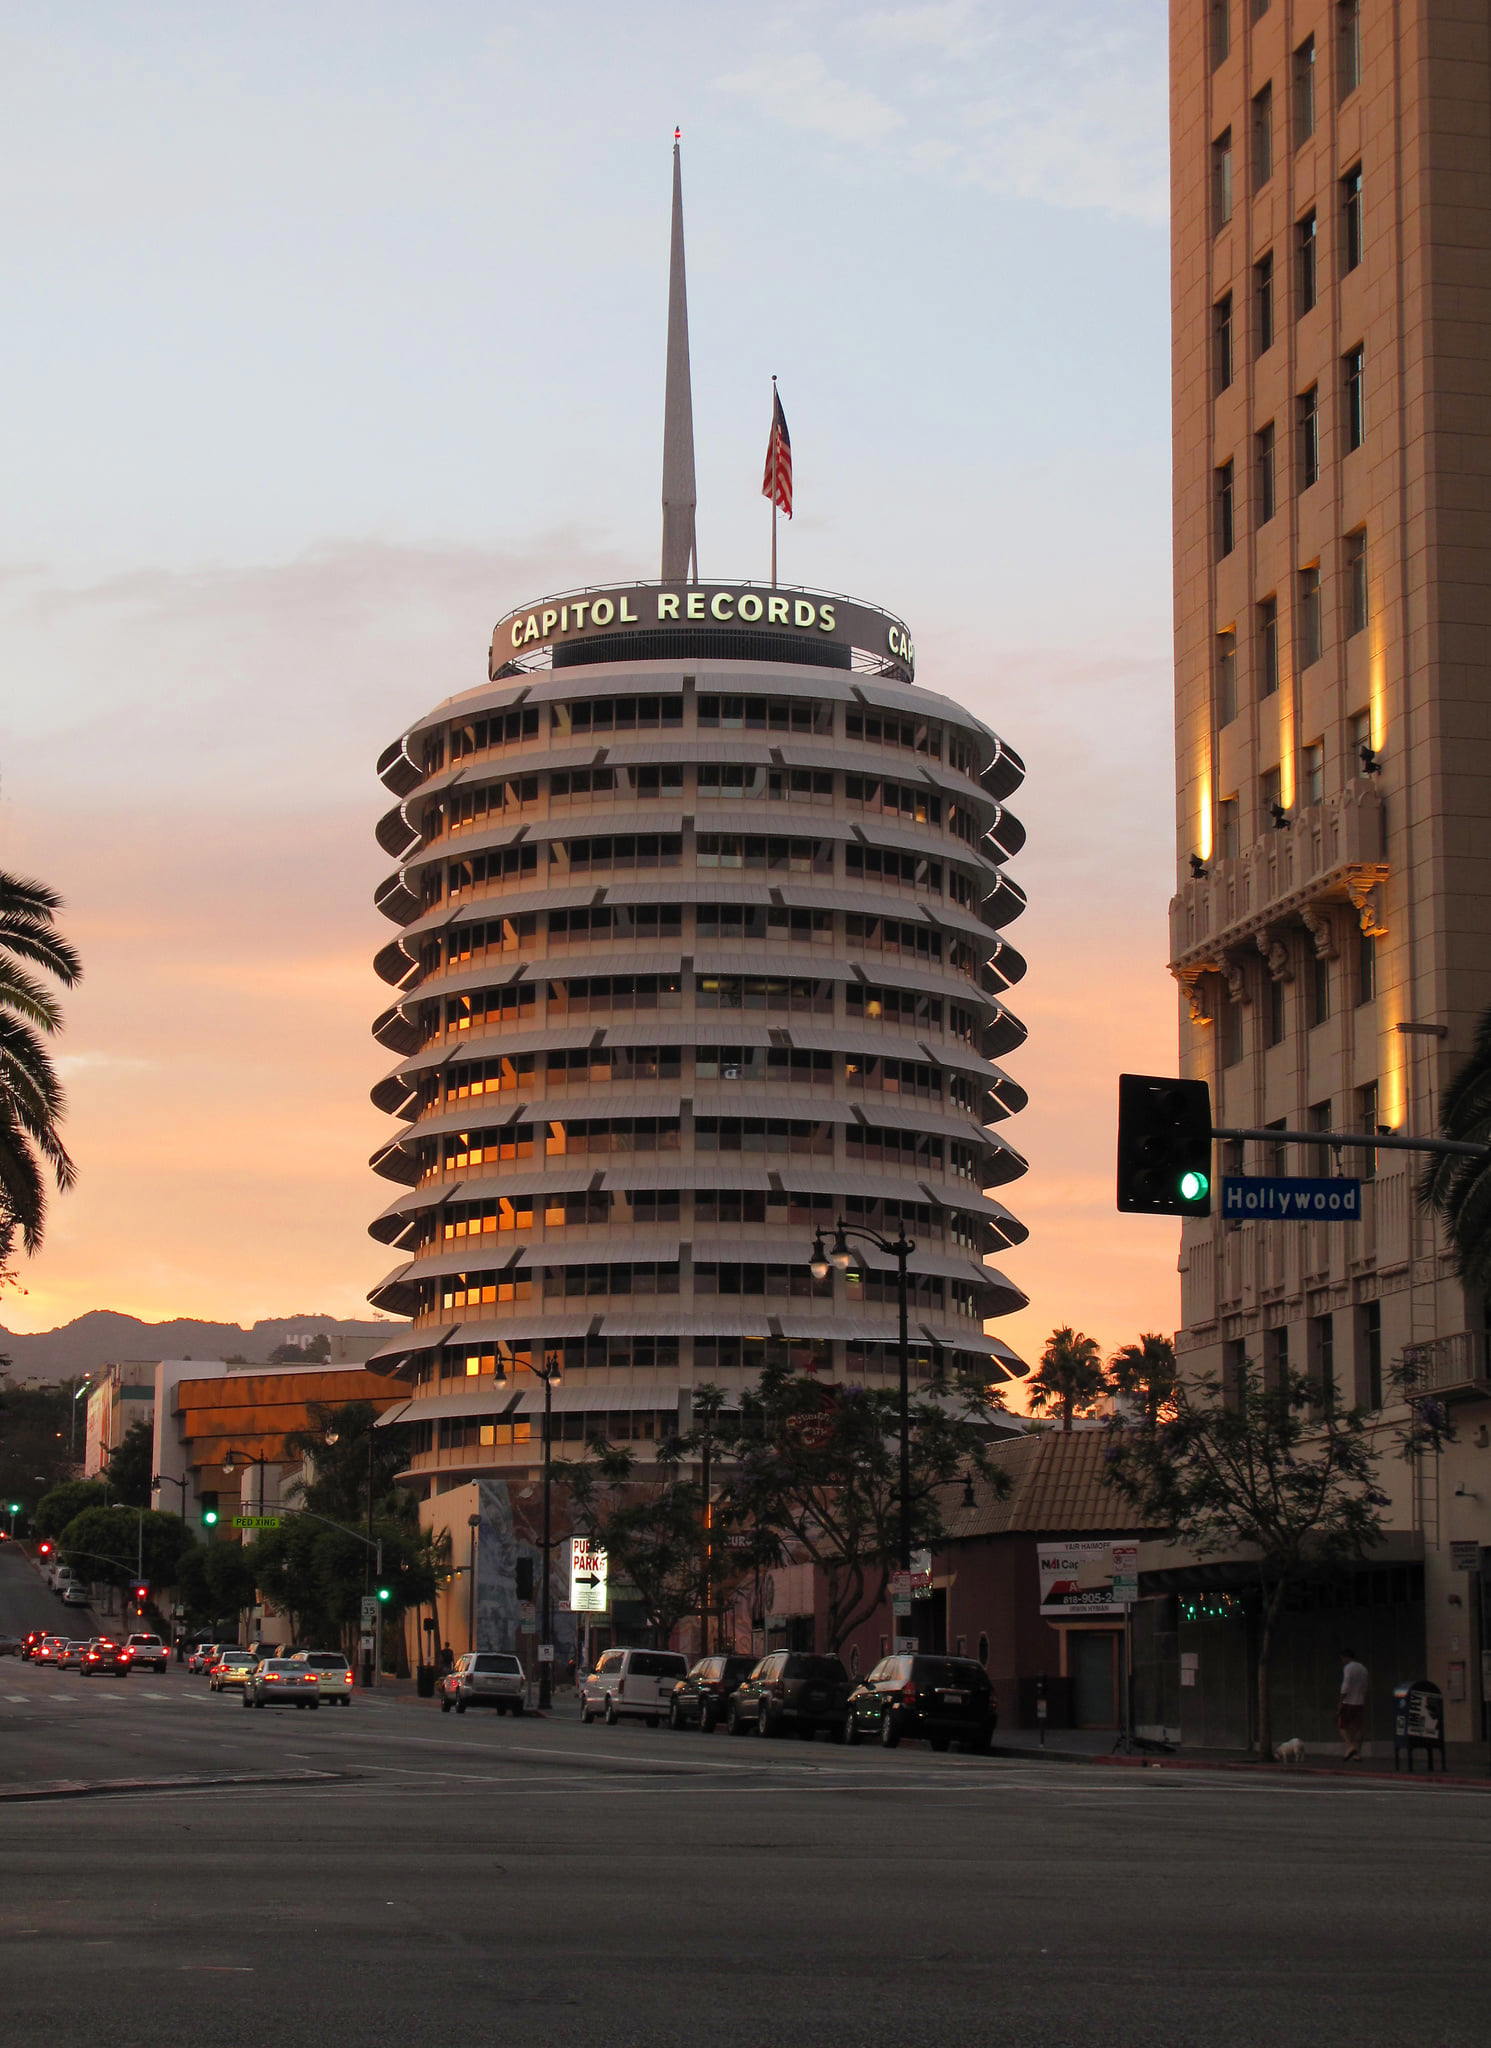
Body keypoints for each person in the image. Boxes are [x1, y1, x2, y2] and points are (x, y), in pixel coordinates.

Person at [1338, 1648, 1369, 1759]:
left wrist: (1341, 1701)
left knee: (1342, 1726)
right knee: (1358, 1728)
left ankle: (1350, 1746)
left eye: (1342, 1658)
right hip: (1359, 1702)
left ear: (1346, 1657)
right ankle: (1358, 1753)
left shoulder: (1348, 1668)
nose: (1342, 1661)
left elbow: (1345, 1685)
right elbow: (1365, 1686)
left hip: (1348, 1702)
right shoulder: (1363, 1669)